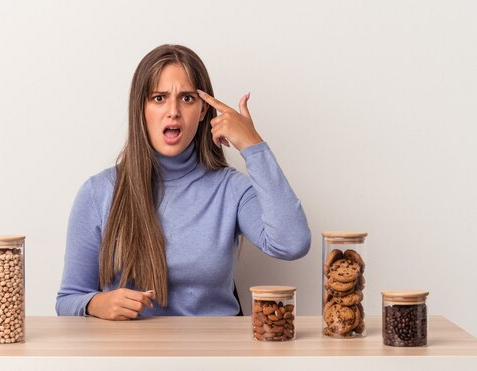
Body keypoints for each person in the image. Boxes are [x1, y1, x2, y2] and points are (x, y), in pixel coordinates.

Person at [56, 44, 310, 320]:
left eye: (187, 98)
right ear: (140, 108)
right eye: (159, 98)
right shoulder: (98, 193)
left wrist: (253, 145)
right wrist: (95, 303)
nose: (173, 111)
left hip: (215, 356)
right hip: (133, 356)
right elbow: (67, 300)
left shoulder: (231, 189)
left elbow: (292, 243)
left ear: (203, 111)